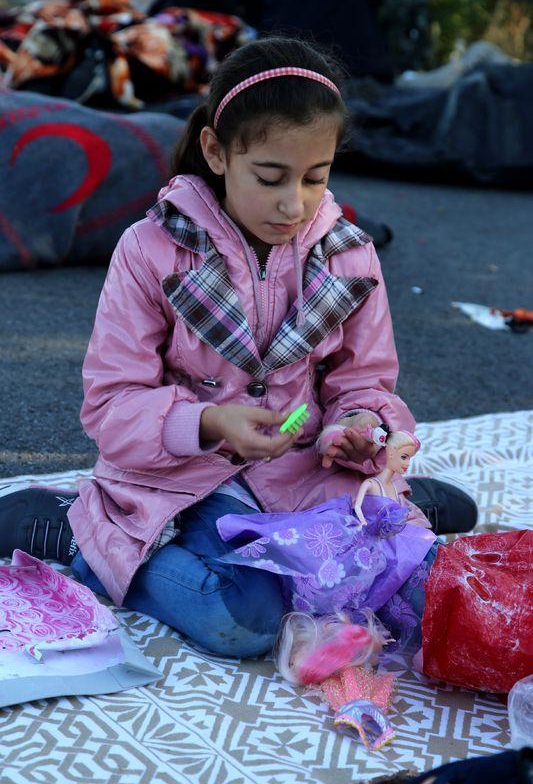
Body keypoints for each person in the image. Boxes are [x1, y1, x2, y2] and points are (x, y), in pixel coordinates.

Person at [0, 36, 476, 659]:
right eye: (270, 177)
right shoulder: (151, 250)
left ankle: (389, 508)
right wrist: (209, 423)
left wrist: (357, 429)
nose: (293, 203)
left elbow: (361, 383)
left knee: (421, 589)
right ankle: (85, 537)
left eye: (316, 178)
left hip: (303, 472)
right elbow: (112, 405)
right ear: (216, 152)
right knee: (244, 622)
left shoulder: (350, 257)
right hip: (183, 479)